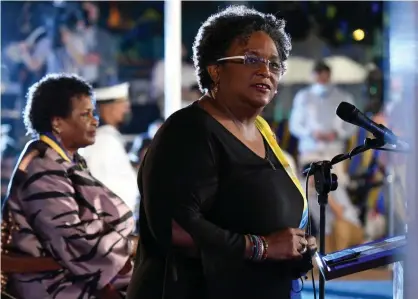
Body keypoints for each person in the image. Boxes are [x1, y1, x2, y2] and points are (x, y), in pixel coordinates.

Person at [127, 6, 317, 299]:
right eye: (252, 59)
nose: (266, 71)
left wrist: (299, 244)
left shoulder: (263, 130)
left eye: (275, 64)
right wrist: (263, 247)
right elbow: (177, 228)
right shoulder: (189, 131)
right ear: (215, 69)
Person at [2, 74, 135, 298]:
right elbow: (74, 241)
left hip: (75, 272)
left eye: (93, 113)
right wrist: (129, 247)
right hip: (50, 284)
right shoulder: (41, 167)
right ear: (57, 122)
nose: (95, 120)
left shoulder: (66, 160)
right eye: (84, 114)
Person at [289, 61, 356, 187]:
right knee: (309, 190)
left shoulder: (343, 97)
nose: (322, 79)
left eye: (325, 75)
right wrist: (311, 133)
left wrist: (337, 134)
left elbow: (351, 125)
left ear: (330, 76)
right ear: (313, 76)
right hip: (310, 152)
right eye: (319, 75)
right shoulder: (303, 97)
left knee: (337, 188)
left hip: (334, 153)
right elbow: (294, 126)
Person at [81, 82, 139, 213]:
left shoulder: (109, 137)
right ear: (108, 108)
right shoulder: (103, 140)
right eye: (123, 105)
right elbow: (98, 188)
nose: (127, 110)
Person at [302, 164, 364, 252]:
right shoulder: (311, 196)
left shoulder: (335, 188)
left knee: (339, 227)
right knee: (318, 253)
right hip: (329, 232)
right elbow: (318, 223)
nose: (312, 179)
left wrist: (326, 194)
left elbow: (340, 215)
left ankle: (341, 261)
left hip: (350, 226)